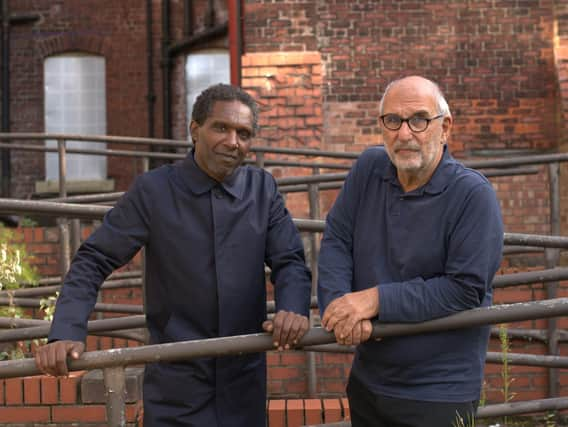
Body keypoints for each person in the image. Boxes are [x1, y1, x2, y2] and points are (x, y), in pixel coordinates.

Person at [35, 83, 312, 426]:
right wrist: (66, 331)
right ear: (195, 130)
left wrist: (293, 309)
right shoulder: (153, 191)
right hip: (175, 387)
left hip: (244, 386)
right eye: (221, 128)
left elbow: (290, 261)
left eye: (244, 133)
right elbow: (94, 259)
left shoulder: (263, 189)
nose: (233, 142)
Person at [318, 75, 503, 427]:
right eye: (392, 121)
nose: (404, 134)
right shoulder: (369, 169)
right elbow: (337, 239)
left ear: (445, 127)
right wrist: (338, 306)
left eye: (419, 120)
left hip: (437, 392)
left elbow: (464, 289)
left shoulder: (473, 196)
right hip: (368, 379)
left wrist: (373, 301)